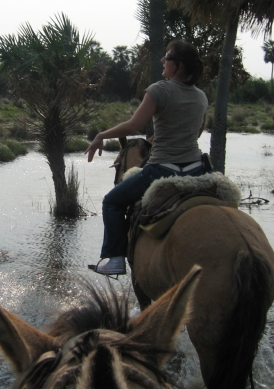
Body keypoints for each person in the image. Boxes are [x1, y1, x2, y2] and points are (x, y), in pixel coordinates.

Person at [85, 40, 208, 275]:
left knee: (111, 202)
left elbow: (134, 126)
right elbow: (198, 131)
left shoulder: (159, 90)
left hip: (162, 170)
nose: (163, 60)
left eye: (167, 57)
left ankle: (116, 259)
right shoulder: (201, 97)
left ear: (178, 65)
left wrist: (101, 135)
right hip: (196, 170)